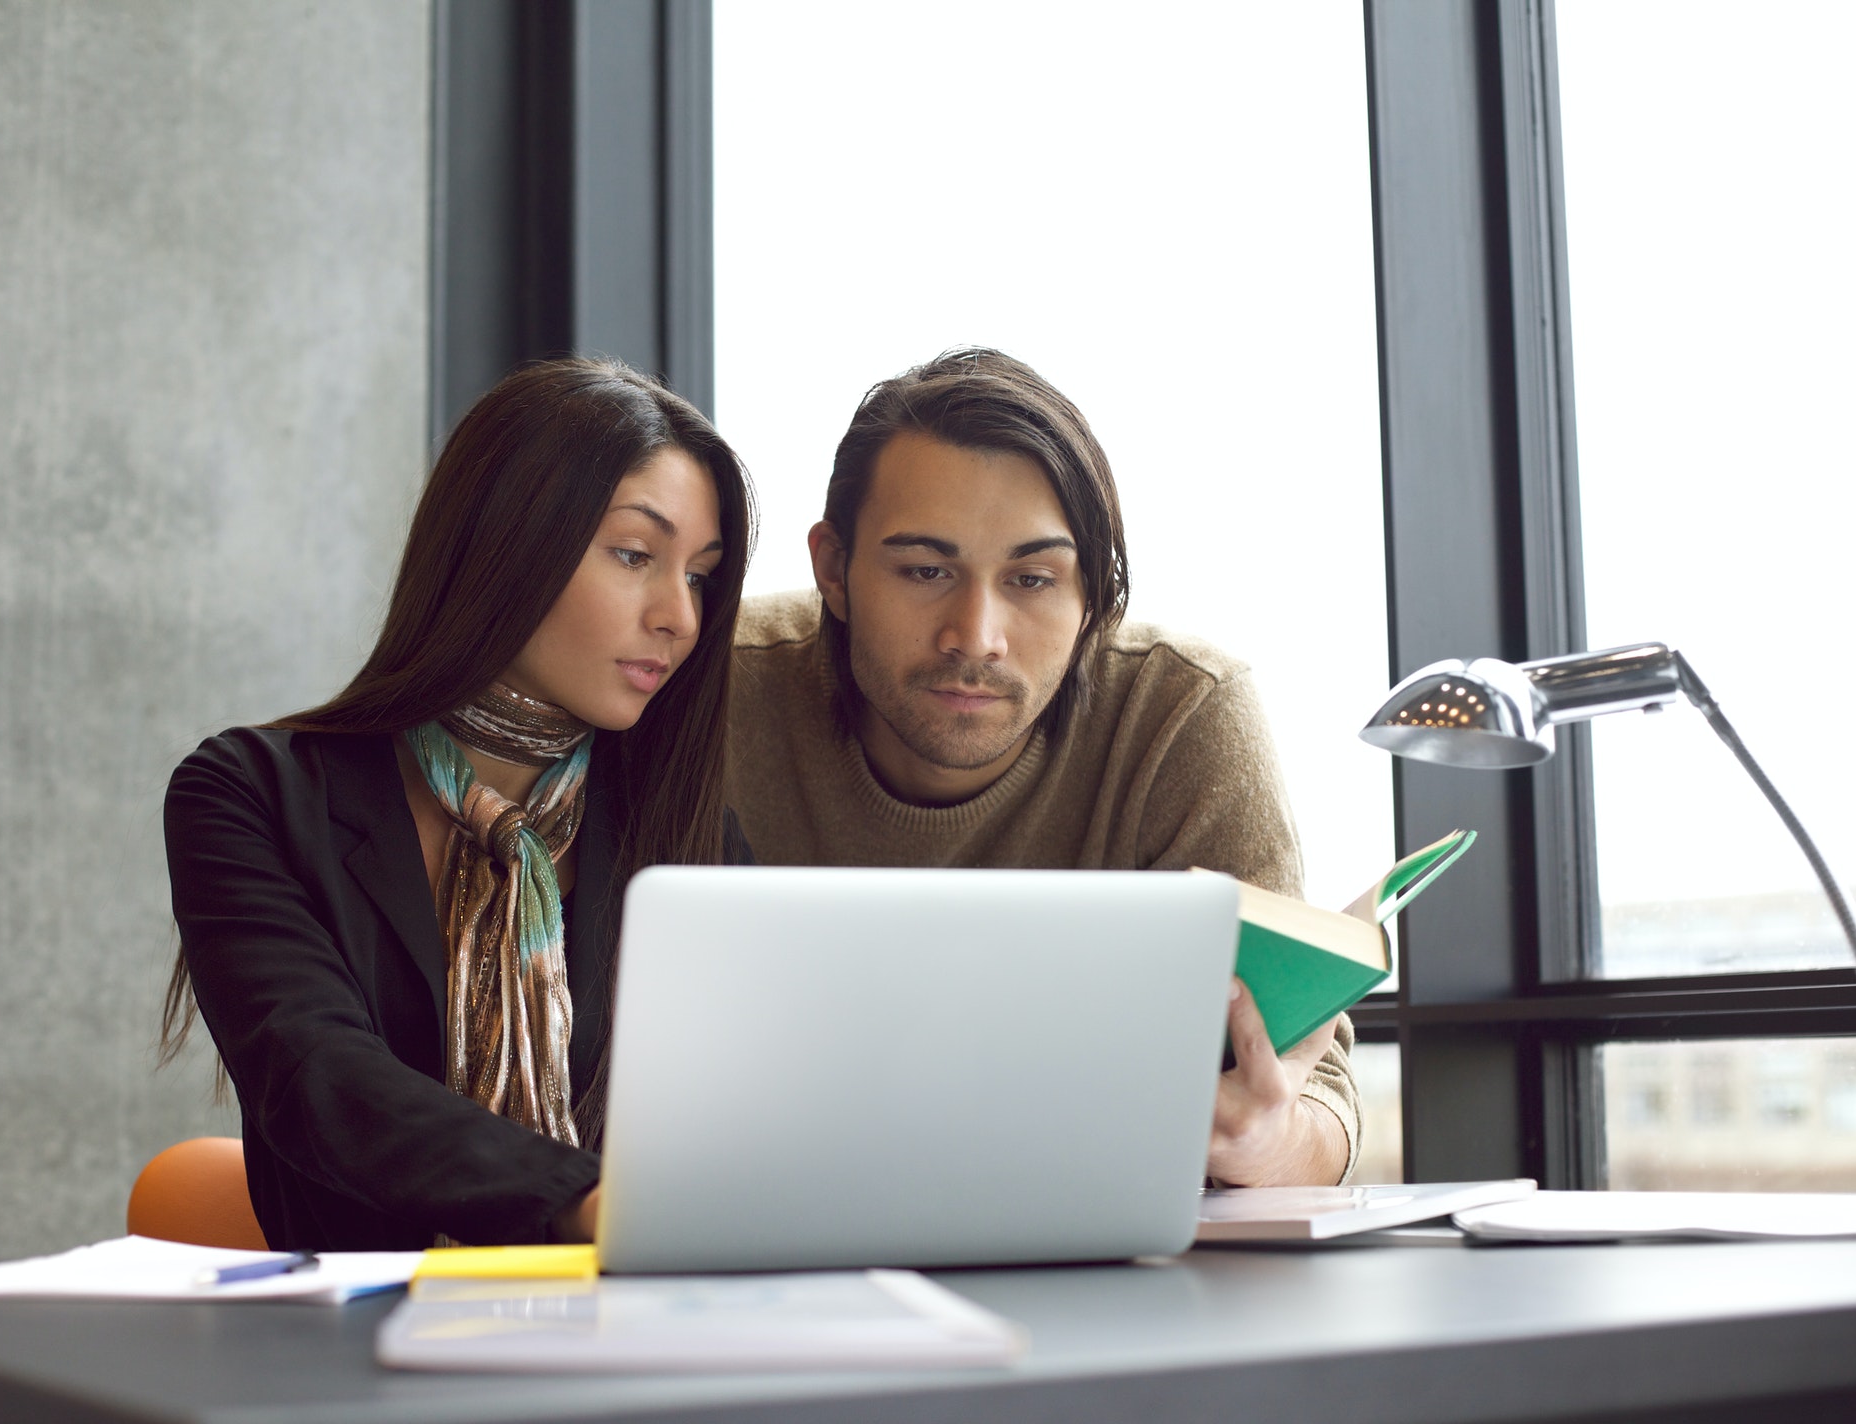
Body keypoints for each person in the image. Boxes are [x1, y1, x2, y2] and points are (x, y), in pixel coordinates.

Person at [160, 357, 755, 1249]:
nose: (680, 616)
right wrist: (594, 1207)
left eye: (701, 575)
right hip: (358, 1347)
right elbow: (322, 1083)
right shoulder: (251, 794)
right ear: (507, 543)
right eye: (635, 556)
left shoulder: (684, 833)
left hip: (640, 1325)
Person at [726, 348, 1358, 1187]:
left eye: (1032, 579)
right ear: (834, 571)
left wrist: (1264, 1143)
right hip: (762, 1222)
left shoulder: (1181, 713)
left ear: (1093, 595)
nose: (976, 635)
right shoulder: (714, 692)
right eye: (924, 571)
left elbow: (1317, 1096)